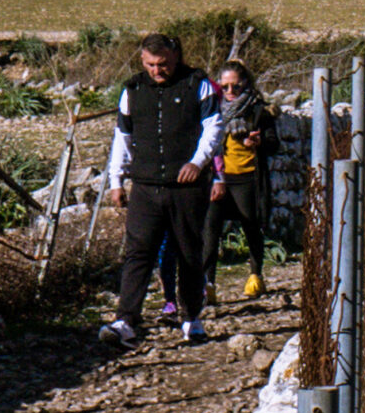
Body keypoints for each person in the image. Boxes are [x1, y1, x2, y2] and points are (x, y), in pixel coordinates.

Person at [100, 33, 222, 346]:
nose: (158, 70)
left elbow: (214, 127)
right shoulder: (133, 90)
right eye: (151, 64)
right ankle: (126, 321)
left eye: (163, 64)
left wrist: (198, 162)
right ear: (143, 62)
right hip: (145, 186)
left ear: (175, 58)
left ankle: (192, 318)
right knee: (138, 252)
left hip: (187, 187)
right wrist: (116, 180)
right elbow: (122, 138)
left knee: (188, 252)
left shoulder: (198, 84)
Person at [202, 60, 278, 304]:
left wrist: (258, 143)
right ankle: (208, 283)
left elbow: (273, 144)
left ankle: (256, 275)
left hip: (247, 178)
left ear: (246, 84)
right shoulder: (213, 111)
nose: (230, 92)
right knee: (210, 230)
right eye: (225, 87)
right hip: (218, 179)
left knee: (251, 226)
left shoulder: (259, 111)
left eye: (235, 86)